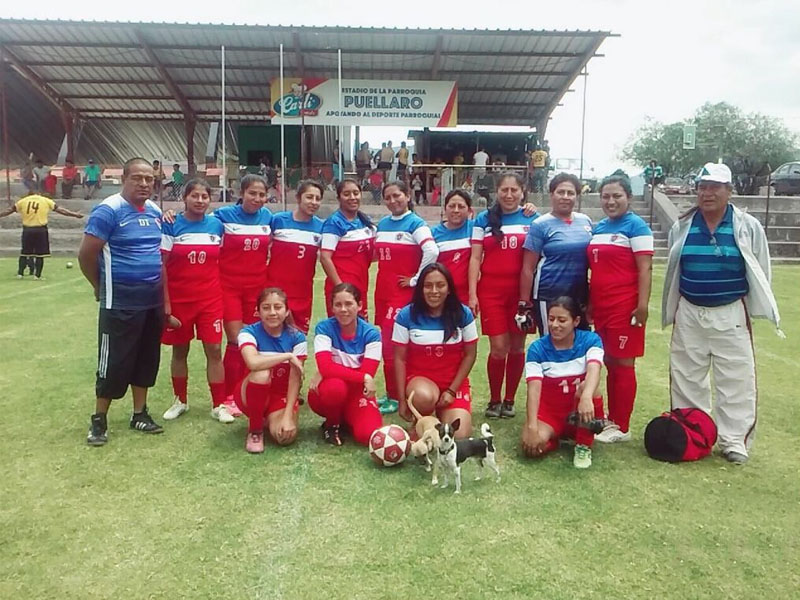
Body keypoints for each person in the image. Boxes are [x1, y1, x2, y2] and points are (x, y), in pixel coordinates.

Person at [661, 162, 781, 465]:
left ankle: (734, 441)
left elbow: (760, 268)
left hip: (730, 311)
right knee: (687, 376)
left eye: (715, 186)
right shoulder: (683, 225)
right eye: (702, 186)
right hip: (689, 310)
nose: (707, 192)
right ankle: (694, 434)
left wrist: (753, 307)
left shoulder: (746, 225)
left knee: (736, 378)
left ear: (729, 191)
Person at [79, 158, 164, 446]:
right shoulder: (108, 211)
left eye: (149, 179)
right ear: (124, 178)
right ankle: (99, 420)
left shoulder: (154, 210)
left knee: (146, 359)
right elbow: (86, 255)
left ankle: (139, 413)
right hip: (120, 303)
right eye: (137, 178)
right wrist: (99, 287)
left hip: (150, 302)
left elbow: (159, 256)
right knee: (113, 363)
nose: (143, 184)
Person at [587, 175, 653, 443]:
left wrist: (642, 306)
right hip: (601, 306)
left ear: (629, 198)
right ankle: (609, 419)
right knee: (608, 361)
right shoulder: (600, 227)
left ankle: (622, 426)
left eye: (617, 196)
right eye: (606, 196)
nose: (611, 201)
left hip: (625, 307)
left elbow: (645, 268)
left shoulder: (637, 227)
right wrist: (591, 303)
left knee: (623, 363)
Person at [159, 179, 231, 424]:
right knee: (180, 350)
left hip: (210, 299)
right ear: (185, 198)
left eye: (204, 197)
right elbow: (163, 266)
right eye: (195, 196)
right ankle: (180, 400)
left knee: (214, 349)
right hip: (180, 300)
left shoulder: (216, 225)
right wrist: (166, 304)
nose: (200, 201)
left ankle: (218, 405)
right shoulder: (171, 224)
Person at [469, 172, 539, 419]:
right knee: (498, 348)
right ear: (496, 192)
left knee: (518, 347)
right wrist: (472, 294)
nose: (509, 195)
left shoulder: (533, 218)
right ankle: (495, 399)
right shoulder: (483, 219)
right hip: (491, 292)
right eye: (504, 190)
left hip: (521, 293)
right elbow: (475, 257)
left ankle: (510, 400)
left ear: (523, 192)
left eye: (514, 190)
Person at [374, 180, 439, 412]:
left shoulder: (415, 223)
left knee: (393, 345)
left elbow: (432, 250)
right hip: (382, 291)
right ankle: (390, 393)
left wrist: (415, 280)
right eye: (388, 197)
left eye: (397, 196)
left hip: (401, 295)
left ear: (408, 195)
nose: (393, 201)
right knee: (385, 342)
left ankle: (396, 396)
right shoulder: (383, 224)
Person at [394, 263, 478, 439]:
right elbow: (399, 359)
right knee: (424, 397)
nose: (434, 291)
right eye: (427, 285)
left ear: (449, 289)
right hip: (421, 383)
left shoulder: (463, 314)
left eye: (440, 285)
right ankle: (422, 420)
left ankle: (440, 414)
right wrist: (402, 400)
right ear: (420, 288)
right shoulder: (406, 315)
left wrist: (452, 391)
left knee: (460, 435)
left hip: (452, 384)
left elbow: (470, 354)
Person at [520, 297, 605, 469]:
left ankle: (583, 446)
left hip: (579, 411)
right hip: (550, 415)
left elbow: (595, 370)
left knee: (589, 388)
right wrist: (531, 426)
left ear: (576, 321)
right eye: (551, 319)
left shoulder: (591, 340)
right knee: (530, 448)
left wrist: (587, 396)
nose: (554, 325)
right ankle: (556, 441)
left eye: (562, 320)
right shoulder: (537, 348)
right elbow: (533, 390)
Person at [213, 175, 273, 411]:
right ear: (241, 192)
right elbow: (196, 221)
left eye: (261, 194)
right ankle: (230, 395)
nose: (257, 199)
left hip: (257, 289)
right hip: (229, 287)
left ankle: (249, 388)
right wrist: (169, 216)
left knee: (253, 340)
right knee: (236, 341)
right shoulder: (223, 216)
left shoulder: (269, 217)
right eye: (252, 193)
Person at [308, 283, 383, 446]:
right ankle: (332, 424)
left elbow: (368, 370)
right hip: (330, 391)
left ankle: (347, 418)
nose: (343, 309)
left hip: (357, 392)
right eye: (338, 304)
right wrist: (363, 376)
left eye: (349, 303)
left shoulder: (371, 334)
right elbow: (326, 367)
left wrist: (330, 369)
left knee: (367, 435)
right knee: (335, 387)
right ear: (332, 308)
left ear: (360, 306)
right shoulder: (324, 328)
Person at [519, 172, 593, 336]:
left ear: (577, 196)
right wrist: (524, 303)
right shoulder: (540, 224)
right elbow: (528, 267)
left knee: (579, 343)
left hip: (579, 295)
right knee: (552, 342)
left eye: (570, 193)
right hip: (549, 294)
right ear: (552, 195)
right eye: (561, 192)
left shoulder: (585, 221)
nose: (565, 197)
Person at [434, 190, 539, 303]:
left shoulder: (476, 228)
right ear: (445, 209)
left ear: (469, 211)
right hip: (441, 293)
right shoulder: (433, 234)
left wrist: (528, 207)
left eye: (461, 206)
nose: (456, 210)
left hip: (467, 294)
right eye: (451, 206)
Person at [236, 288, 306, 453]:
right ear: (258, 311)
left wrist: (288, 415)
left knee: (285, 437)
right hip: (249, 392)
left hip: (279, 397)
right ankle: (255, 430)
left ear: (287, 311)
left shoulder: (297, 337)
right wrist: (287, 356)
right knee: (262, 373)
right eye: (266, 308)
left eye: (278, 307)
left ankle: (270, 418)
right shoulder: (248, 332)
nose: (272, 313)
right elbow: (253, 363)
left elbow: (295, 379)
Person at [266, 180, 324, 333]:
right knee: (272, 342)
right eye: (309, 197)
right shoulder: (278, 220)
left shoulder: (321, 227)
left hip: (303, 295)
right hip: (275, 293)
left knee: (298, 342)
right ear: (298, 198)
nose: (314, 202)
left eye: (317, 198)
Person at [320, 179, 375, 319]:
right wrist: (341, 289)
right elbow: (325, 257)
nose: (352, 197)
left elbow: (371, 255)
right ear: (339, 198)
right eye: (347, 194)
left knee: (360, 332)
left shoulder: (364, 222)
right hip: (342, 289)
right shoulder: (334, 223)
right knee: (342, 334)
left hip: (360, 287)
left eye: (356, 193)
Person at [0, 191, 83, 279]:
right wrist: (75, 215)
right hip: (40, 229)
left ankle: (20, 273)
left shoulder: (23, 201)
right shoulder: (45, 200)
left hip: (27, 229)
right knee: (40, 254)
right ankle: (37, 275)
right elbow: (61, 210)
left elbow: (9, 210)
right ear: (39, 194)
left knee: (24, 252)